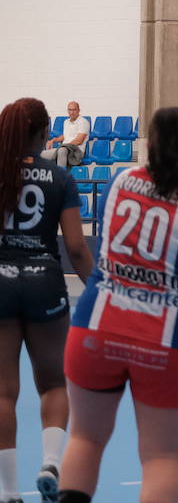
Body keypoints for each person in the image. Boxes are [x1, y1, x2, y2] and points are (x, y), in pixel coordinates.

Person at [61, 106, 178, 503]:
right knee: (160, 457)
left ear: (150, 145)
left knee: (85, 439)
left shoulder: (118, 181)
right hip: (166, 341)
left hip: (96, 327)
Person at [0, 99, 94, 503]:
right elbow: (75, 248)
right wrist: (99, 290)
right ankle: (51, 463)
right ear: (42, 134)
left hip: (1, 282)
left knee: (3, 392)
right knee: (54, 383)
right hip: (44, 283)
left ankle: (8, 492)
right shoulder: (60, 177)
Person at [40, 103, 88, 169]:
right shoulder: (66, 122)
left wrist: (64, 146)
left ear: (79, 110)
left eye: (74, 110)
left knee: (62, 150)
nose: (72, 112)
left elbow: (79, 140)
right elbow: (65, 136)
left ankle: (61, 174)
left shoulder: (83, 122)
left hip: (76, 151)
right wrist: (53, 140)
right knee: (40, 154)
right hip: (64, 149)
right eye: (70, 110)